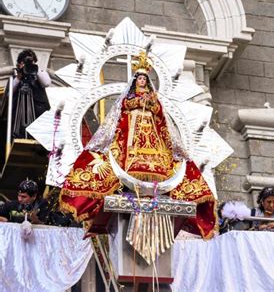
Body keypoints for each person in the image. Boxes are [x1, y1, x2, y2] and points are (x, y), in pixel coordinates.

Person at [59, 52, 216, 238]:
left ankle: (154, 183)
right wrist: (136, 102)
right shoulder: (129, 99)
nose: (142, 81)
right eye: (139, 78)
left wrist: (151, 104)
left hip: (152, 138)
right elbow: (122, 112)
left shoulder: (153, 99)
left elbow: (162, 120)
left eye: (144, 78)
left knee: (161, 159)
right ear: (135, 81)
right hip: (132, 139)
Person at [10, 49, 51, 138]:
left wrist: (35, 69)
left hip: (37, 111)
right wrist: (19, 77)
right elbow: (9, 93)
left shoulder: (39, 74)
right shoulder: (15, 78)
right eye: (24, 61)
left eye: (31, 61)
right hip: (19, 113)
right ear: (19, 64)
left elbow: (47, 83)